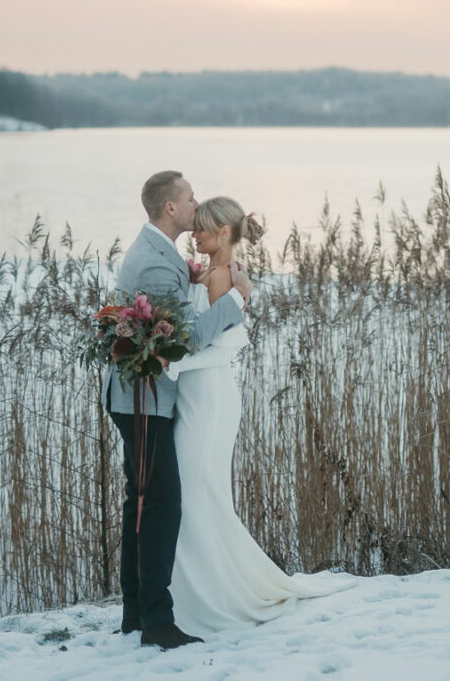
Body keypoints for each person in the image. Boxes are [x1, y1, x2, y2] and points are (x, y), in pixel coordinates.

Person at [165, 196, 355, 635]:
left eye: (205, 229)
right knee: (200, 494)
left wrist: (172, 363)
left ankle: (211, 597)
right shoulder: (214, 272)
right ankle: (201, 591)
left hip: (208, 396)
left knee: (197, 492)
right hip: (199, 394)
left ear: (226, 234)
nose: (196, 233)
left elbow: (220, 346)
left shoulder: (221, 276)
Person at [102, 172, 252, 650]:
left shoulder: (161, 255)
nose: (196, 203)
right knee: (158, 504)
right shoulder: (155, 263)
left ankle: (137, 614)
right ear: (170, 207)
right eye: (189, 197)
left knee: (142, 504)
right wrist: (233, 301)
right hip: (143, 401)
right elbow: (184, 341)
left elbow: (174, 323)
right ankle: (158, 622)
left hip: (144, 399)